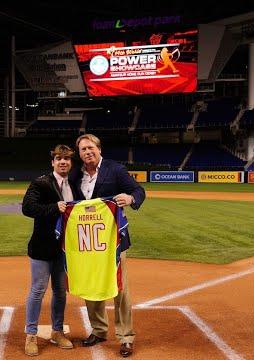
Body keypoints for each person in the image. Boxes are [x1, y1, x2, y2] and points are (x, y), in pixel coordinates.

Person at [69, 134, 145, 358]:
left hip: (114, 241)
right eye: (82, 150)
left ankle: (126, 337)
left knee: (120, 289)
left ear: (99, 148)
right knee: (91, 284)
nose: (87, 152)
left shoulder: (115, 169)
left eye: (90, 148)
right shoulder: (75, 175)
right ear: (79, 153)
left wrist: (131, 199)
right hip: (87, 241)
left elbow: (138, 191)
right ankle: (99, 330)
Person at [22, 144, 76, 356]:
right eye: (59, 158)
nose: (63, 162)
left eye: (67, 159)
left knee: (60, 291)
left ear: (71, 163)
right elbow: (27, 208)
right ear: (53, 162)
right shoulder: (41, 183)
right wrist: (55, 207)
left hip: (64, 248)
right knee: (38, 290)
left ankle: (57, 331)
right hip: (42, 247)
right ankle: (31, 335)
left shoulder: (75, 185)